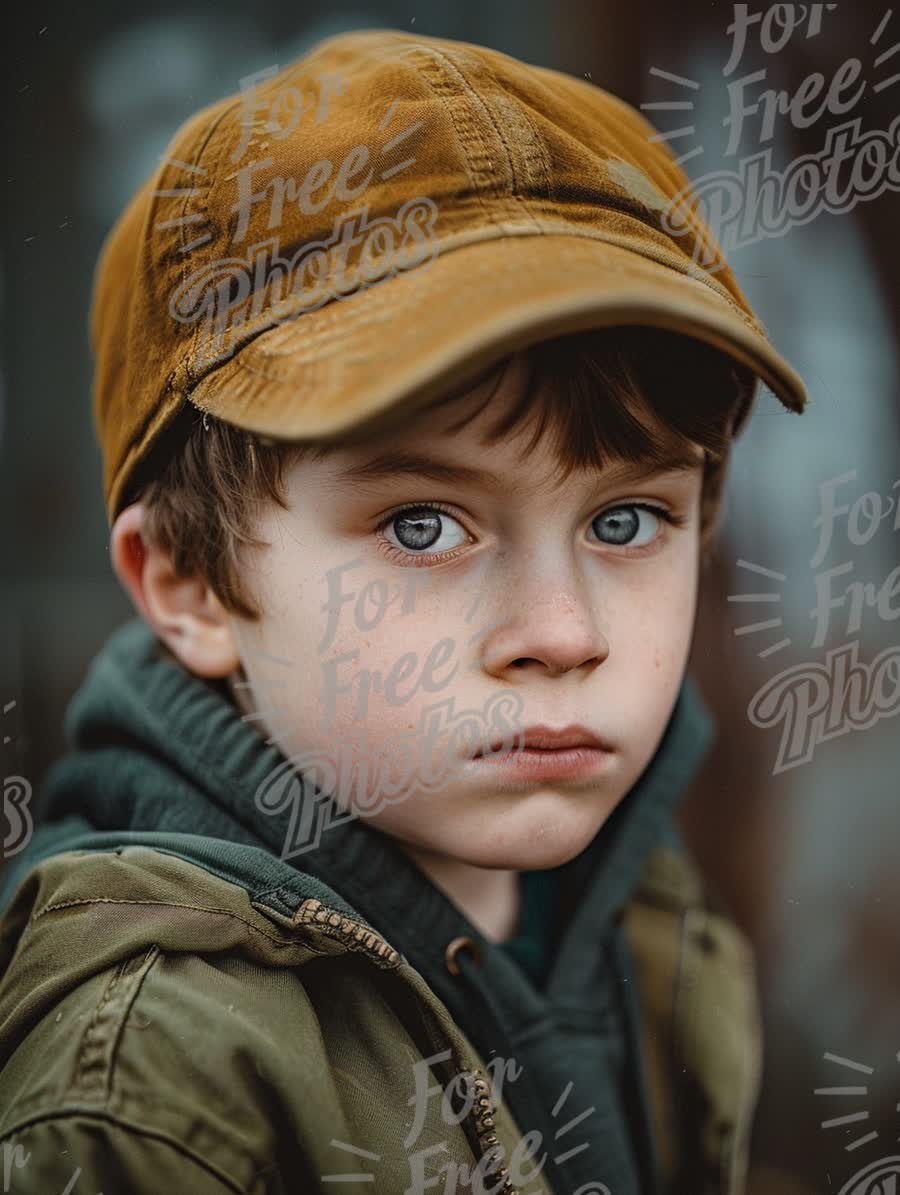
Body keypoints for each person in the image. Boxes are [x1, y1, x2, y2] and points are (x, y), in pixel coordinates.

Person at [0, 27, 808, 1195]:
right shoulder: (154, 1091)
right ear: (190, 584)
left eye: (626, 521)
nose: (564, 632)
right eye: (424, 526)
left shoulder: (638, 915)